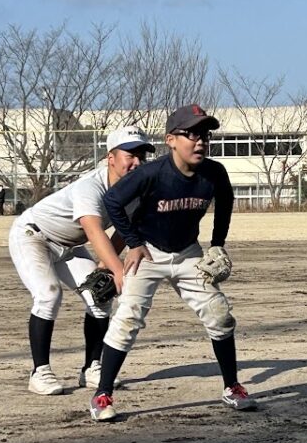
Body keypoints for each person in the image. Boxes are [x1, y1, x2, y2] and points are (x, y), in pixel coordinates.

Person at [90, 104, 255, 422]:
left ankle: (232, 387)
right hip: (148, 253)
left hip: (188, 253)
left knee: (219, 314)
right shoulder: (152, 173)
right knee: (127, 318)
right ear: (170, 140)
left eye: (204, 134)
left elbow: (226, 203)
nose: (200, 141)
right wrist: (134, 242)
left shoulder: (214, 173)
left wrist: (217, 244)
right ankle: (102, 394)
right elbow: (112, 201)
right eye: (191, 134)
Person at [8, 126, 154, 396]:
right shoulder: (91, 187)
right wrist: (118, 270)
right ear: (111, 158)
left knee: (100, 297)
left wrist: (105, 267)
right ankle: (39, 372)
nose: (137, 162)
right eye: (130, 155)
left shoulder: (135, 191)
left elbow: (125, 231)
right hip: (33, 236)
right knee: (48, 295)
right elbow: (93, 230)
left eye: (141, 156)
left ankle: (91, 368)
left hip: (70, 246)